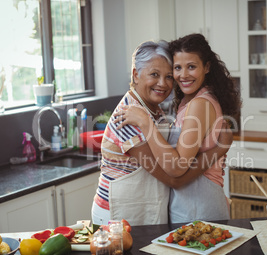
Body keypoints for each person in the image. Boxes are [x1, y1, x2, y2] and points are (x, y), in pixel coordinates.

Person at [92, 39, 232, 226]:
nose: (163, 84)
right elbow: (173, 178)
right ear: (136, 74)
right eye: (154, 74)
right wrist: (218, 151)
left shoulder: (153, 110)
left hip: (142, 210)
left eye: (168, 76)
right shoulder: (128, 117)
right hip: (118, 214)